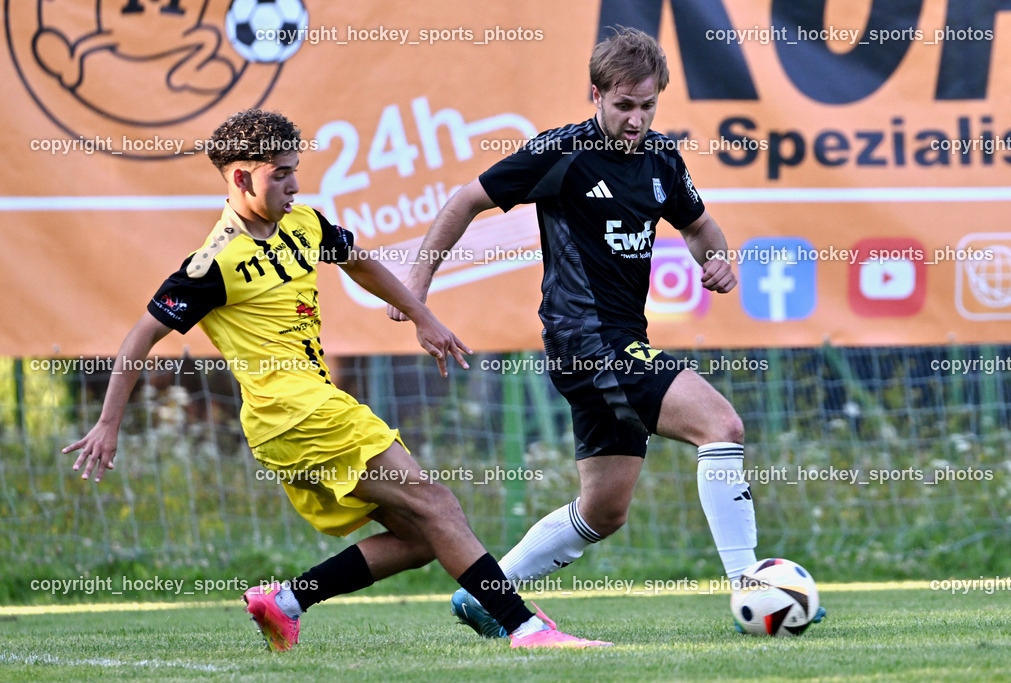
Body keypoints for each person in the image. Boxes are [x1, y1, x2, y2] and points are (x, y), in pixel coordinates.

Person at [64, 108, 611, 651]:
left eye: (295, 170)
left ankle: (286, 602)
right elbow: (140, 336)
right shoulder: (212, 264)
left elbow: (359, 261)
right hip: (295, 413)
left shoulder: (303, 224)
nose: (293, 184)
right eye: (279, 174)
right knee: (437, 504)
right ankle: (525, 629)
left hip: (300, 417)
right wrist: (108, 424)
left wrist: (422, 314)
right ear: (239, 177)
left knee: (421, 535)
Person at [392, 28, 824, 637]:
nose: (635, 118)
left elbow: (702, 229)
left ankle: (488, 595)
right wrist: (417, 287)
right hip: (587, 341)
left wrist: (717, 260)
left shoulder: (662, 160)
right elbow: (465, 200)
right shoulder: (560, 154)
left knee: (604, 509)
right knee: (721, 426)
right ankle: (752, 590)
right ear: (595, 95)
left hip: (618, 338)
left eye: (647, 106)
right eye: (623, 105)